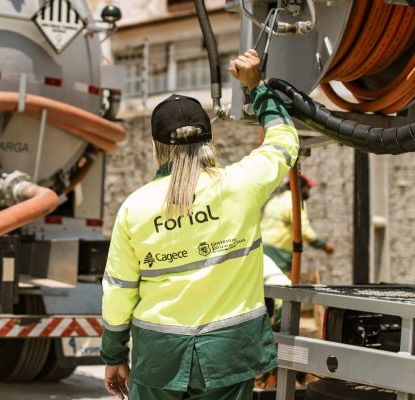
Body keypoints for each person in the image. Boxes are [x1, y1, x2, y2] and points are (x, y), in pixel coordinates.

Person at [100, 49, 299, 400]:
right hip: (230, 354)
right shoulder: (242, 184)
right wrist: (257, 88)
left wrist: (114, 354)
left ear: (155, 147)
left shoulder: (135, 208)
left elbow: (119, 291)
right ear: (209, 139)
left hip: (159, 357)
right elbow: (285, 141)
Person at [261, 173, 334, 274]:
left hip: (262, 248)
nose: (309, 192)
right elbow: (303, 230)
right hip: (279, 253)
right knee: (278, 286)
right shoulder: (295, 202)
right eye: (308, 188)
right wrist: (323, 245)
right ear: (302, 188)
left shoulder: (275, 200)